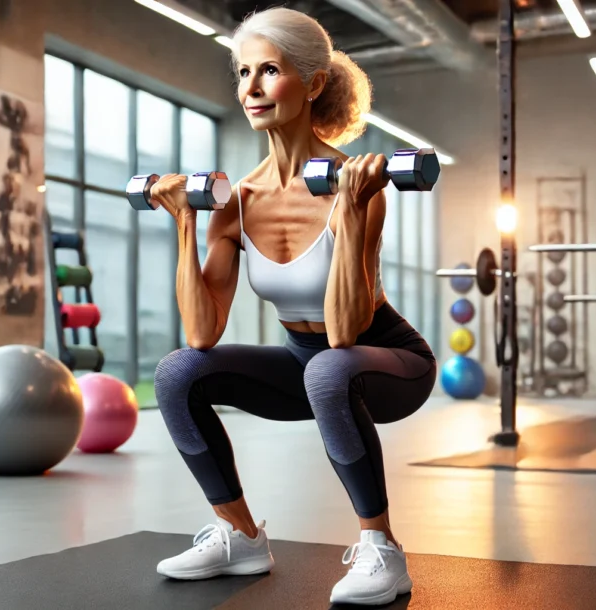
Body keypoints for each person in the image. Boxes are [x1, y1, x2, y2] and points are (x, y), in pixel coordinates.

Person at [146, 7, 436, 607]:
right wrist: (184, 222)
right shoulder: (238, 200)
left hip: (384, 362)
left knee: (330, 367)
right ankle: (240, 535)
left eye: (269, 70)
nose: (250, 89)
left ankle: (381, 549)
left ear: (314, 83)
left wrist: (350, 214)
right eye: (243, 72)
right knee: (179, 371)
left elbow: (344, 332)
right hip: (305, 364)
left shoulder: (357, 187)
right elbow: (202, 333)